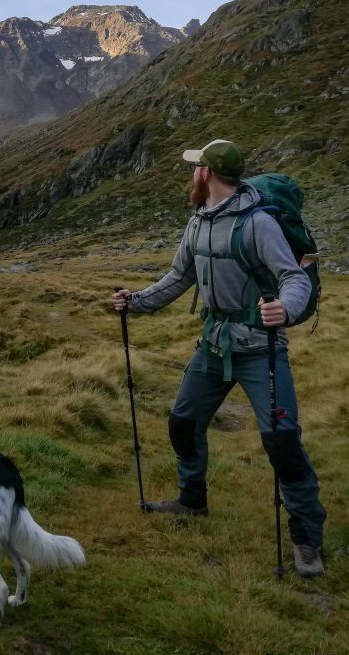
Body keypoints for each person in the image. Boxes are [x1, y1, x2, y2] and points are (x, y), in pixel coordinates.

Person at [112, 138, 327, 578]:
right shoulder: (197, 223)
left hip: (260, 349)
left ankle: (307, 537)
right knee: (183, 423)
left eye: (196, 168)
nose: (192, 175)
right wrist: (134, 301)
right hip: (213, 344)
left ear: (206, 174)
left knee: (282, 442)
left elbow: (292, 277)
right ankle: (192, 501)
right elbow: (178, 277)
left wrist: (284, 308)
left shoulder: (258, 224)